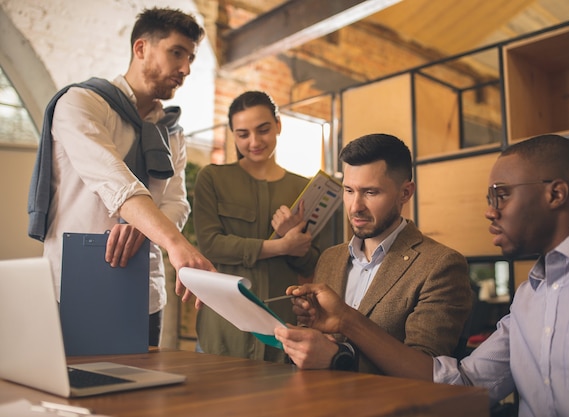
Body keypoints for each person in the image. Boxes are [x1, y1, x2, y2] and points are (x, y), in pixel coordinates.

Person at [279, 134, 569, 417]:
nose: (490, 211)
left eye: (501, 195)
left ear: (556, 194)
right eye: (350, 190)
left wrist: (344, 342)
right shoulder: (529, 297)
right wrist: (342, 325)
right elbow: (465, 383)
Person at [28, 7, 215, 346]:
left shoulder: (173, 133)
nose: (186, 69)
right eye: (176, 53)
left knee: (141, 393)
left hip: (144, 289)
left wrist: (143, 227)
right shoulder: (81, 103)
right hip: (73, 283)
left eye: (190, 58)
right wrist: (173, 241)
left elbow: (177, 203)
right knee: (72, 392)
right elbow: (113, 178)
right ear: (141, 49)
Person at [275, 133, 473, 374]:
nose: (355, 206)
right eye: (348, 190)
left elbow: (426, 371)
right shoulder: (329, 257)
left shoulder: (441, 265)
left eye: (370, 192)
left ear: (405, 193)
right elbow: (316, 345)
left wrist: (340, 356)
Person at [192, 90, 321, 362]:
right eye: (243, 134)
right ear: (233, 134)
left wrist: (296, 246)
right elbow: (211, 245)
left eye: (263, 130)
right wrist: (280, 245)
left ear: (278, 125)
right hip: (222, 329)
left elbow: (315, 264)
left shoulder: (304, 189)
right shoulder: (212, 178)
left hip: (281, 332)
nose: (254, 142)